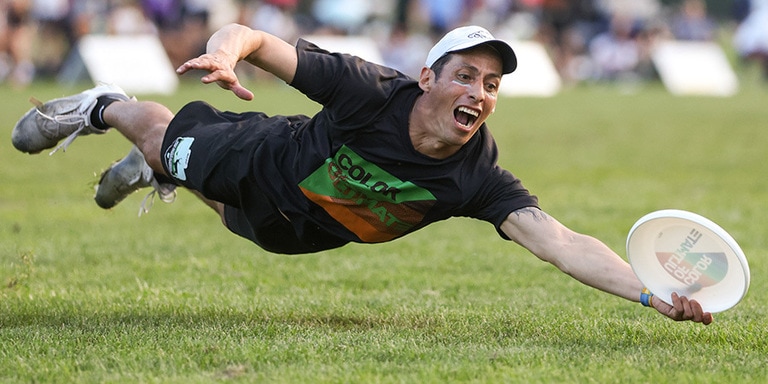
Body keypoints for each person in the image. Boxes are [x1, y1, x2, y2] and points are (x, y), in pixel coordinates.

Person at [11, 23, 712, 325]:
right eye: (466, 76)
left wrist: (653, 295)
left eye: (492, 84)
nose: (480, 93)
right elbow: (254, 38)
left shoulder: (477, 177)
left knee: (235, 221)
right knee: (172, 147)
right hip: (259, 159)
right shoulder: (368, 90)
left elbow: (561, 242)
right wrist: (226, 55)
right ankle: (105, 108)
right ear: (427, 77)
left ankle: (155, 170)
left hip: (301, 233)